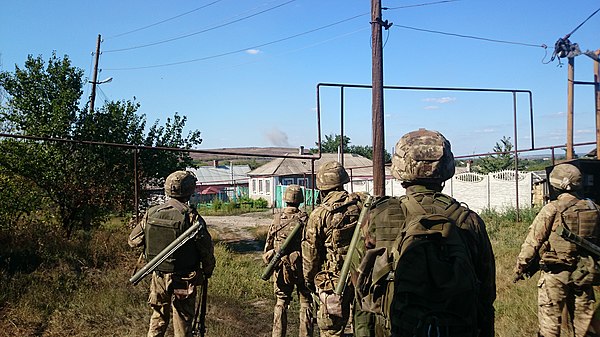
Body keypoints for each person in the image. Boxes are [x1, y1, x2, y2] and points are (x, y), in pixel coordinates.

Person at [358, 128, 496, 337]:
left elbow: (362, 287)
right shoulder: (469, 220)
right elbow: (486, 294)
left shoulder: (379, 216)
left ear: (400, 166)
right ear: (446, 166)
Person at [514, 163, 600, 337]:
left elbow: (533, 243)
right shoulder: (594, 209)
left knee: (550, 326)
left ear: (554, 185)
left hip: (555, 274)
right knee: (586, 326)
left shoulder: (552, 209)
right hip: (584, 273)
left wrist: (519, 268)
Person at [128, 170, 216, 337]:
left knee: (158, 319)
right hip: (184, 278)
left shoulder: (151, 213)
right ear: (190, 190)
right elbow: (206, 249)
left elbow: (133, 241)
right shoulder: (191, 217)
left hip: (159, 276)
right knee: (182, 323)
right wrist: (208, 270)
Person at [302, 160, 365, 337]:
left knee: (331, 331)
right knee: (362, 328)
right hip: (364, 277)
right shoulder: (362, 204)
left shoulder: (319, 214)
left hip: (335, 281)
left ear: (322, 188)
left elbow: (310, 255)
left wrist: (310, 281)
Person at [263, 184, 314, 337]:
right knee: (306, 302)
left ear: (285, 199)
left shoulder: (277, 219)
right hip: (303, 267)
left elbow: (268, 246)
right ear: (300, 200)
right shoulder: (306, 219)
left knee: (281, 302)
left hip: (281, 268)